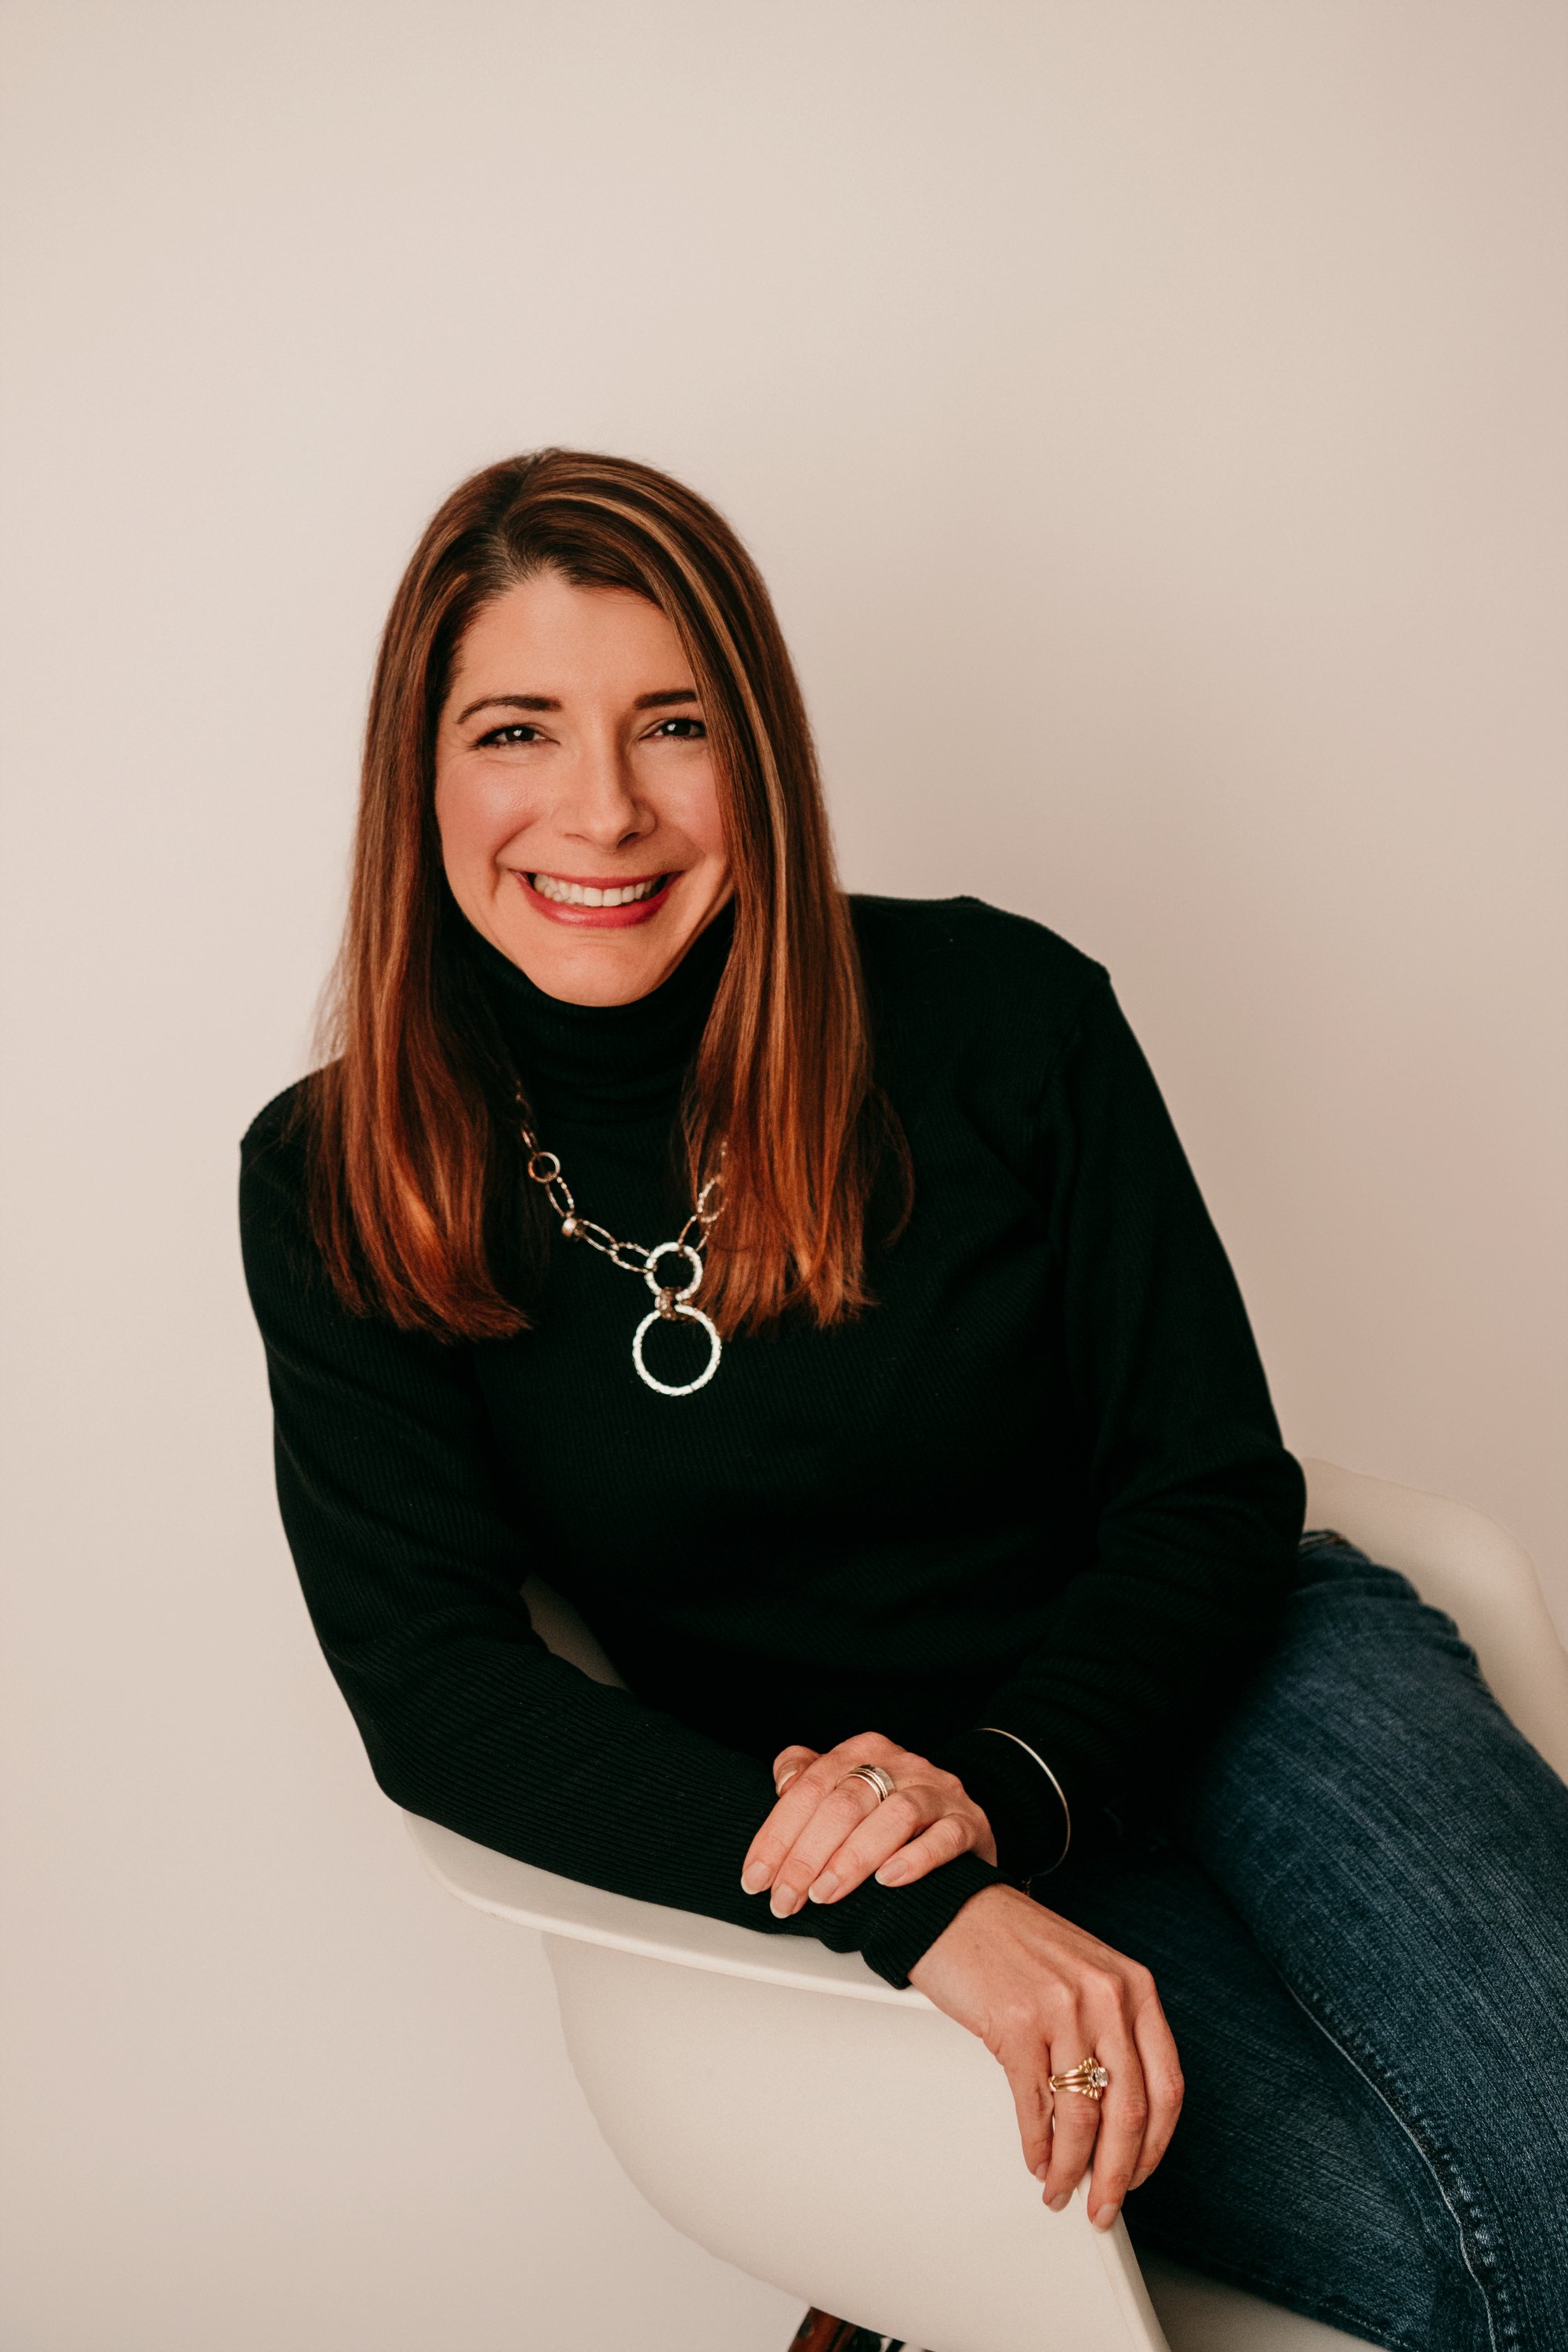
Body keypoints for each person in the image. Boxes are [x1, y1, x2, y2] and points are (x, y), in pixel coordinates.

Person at [238, 448, 1568, 2352]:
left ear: (756, 755)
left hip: (1254, 1680)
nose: (598, 810)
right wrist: (918, 1903)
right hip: (882, 1841)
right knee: (1450, 2276)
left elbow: (1204, 1487)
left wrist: (1006, 1785)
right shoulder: (334, 1177)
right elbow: (438, 1687)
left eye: (671, 724)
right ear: (421, 776)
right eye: (517, 727)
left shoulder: (1004, 1013)